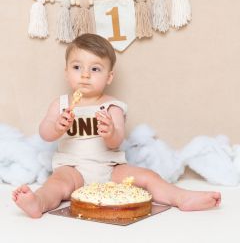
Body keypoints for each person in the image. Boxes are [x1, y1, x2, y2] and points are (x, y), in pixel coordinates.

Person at [12, 33, 221, 218]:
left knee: (148, 177)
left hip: (110, 168)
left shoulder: (112, 106)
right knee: (56, 185)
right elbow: (45, 132)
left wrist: (110, 131)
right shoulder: (62, 105)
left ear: (109, 76)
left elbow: (117, 140)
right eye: (77, 67)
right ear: (66, 72)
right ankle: (38, 202)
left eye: (95, 69)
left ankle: (181, 198)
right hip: (72, 167)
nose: (85, 75)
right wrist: (57, 126)